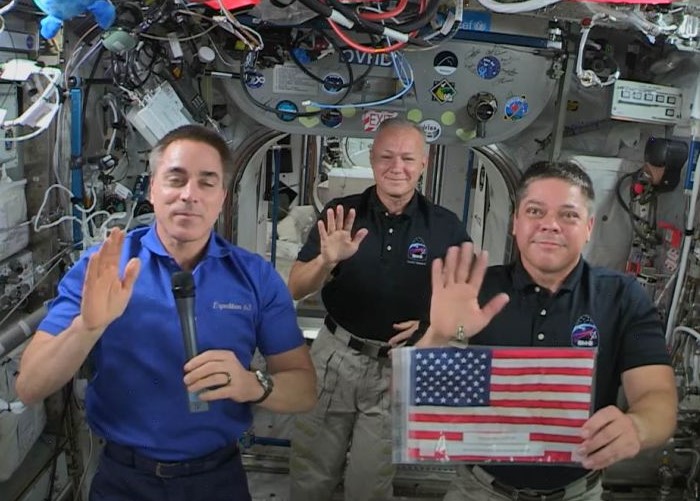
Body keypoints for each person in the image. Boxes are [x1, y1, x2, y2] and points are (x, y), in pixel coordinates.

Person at [15, 124, 316, 501]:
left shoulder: (255, 277)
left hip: (217, 479)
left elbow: (303, 389)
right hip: (124, 480)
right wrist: (87, 327)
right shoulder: (103, 269)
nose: (189, 195)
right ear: (152, 189)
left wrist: (252, 384)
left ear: (222, 197)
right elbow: (29, 386)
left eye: (207, 183)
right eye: (176, 179)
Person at [419, 161, 677, 501]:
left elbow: (657, 396)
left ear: (588, 228)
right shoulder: (473, 290)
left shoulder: (622, 297)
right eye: (535, 211)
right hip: (477, 489)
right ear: (515, 223)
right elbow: (416, 400)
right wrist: (437, 336)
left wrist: (638, 426)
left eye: (568, 215)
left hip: (576, 493)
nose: (550, 225)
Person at [287, 117, 470, 501]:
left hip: (398, 367)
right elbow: (296, 287)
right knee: (311, 476)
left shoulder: (446, 228)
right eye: (386, 156)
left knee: (369, 485)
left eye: (407, 158)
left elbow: (467, 308)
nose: (396, 167)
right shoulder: (342, 214)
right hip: (334, 358)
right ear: (371, 159)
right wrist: (326, 260)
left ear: (425, 163)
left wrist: (431, 330)